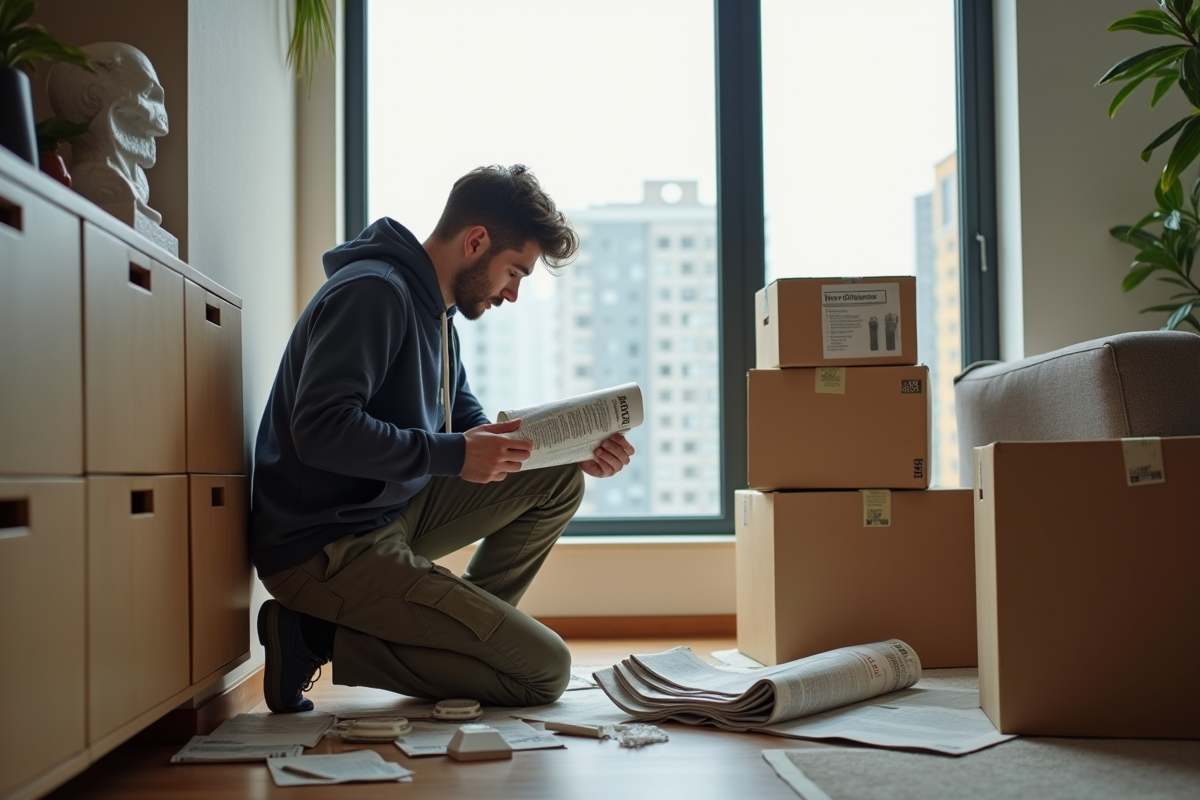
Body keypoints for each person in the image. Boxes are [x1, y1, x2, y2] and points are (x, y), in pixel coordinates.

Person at [250, 164, 636, 713]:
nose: (513, 294)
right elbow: (320, 429)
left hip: (386, 510)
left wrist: (573, 451)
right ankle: (312, 636)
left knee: (557, 482)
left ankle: (465, 634)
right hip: (322, 546)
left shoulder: (436, 312)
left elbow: (464, 422)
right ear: (475, 241)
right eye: (514, 272)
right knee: (543, 673)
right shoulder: (375, 293)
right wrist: (455, 454)